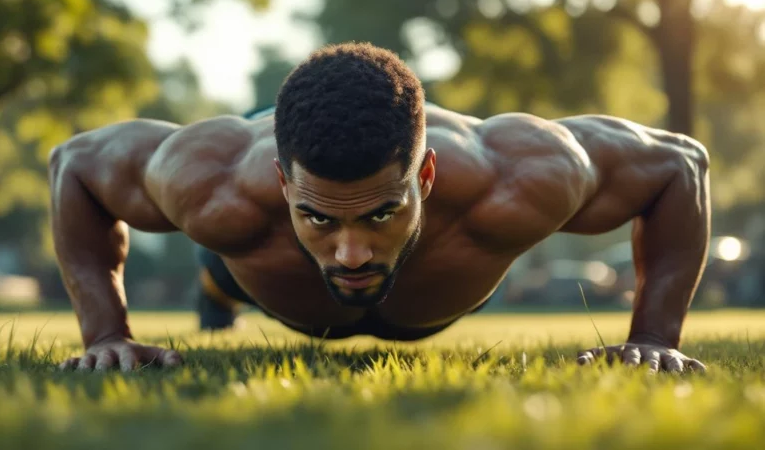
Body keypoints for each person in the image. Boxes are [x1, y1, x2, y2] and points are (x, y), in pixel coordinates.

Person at [49, 42, 710, 373]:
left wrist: (652, 339)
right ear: (283, 184)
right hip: (263, 267)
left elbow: (679, 165)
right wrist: (107, 334)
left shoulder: (517, 177)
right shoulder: (213, 182)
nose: (351, 253)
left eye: (379, 214)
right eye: (320, 218)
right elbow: (73, 164)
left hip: (445, 274)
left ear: (425, 174)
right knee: (224, 259)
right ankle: (216, 290)